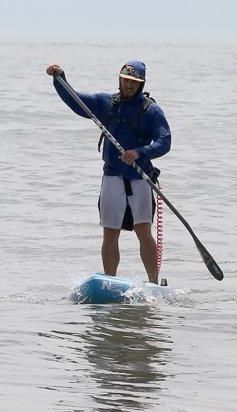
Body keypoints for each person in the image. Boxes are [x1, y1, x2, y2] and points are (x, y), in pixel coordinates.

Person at [45, 60, 171, 284]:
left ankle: (153, 282)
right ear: (120, 79)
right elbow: (76, 100)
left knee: (144, 231)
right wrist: (59, 78)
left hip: (140, 178)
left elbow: (165, 141)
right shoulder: (107, 104)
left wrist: (140, 152)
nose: (129, 85)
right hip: (112, 176)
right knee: (110, 232)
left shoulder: (151, 110)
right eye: (126, 80)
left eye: (134, 82)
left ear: (141, 84)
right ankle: (110, 282)